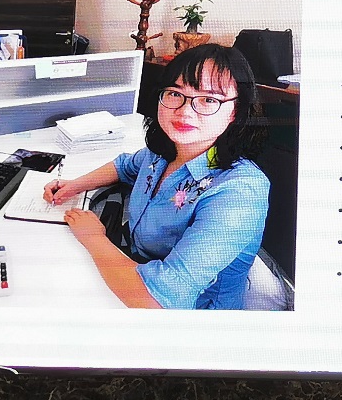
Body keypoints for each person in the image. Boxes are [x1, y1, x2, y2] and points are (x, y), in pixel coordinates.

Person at [44, 43, 271, 309]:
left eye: (209, 100)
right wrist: (74, 185)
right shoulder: (166, 150)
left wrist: (94, 237)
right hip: (132, 266)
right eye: (175, 93)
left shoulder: (240, 191)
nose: (185, 111)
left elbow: (156, 300)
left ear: (236, 111)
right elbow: (125, 166)